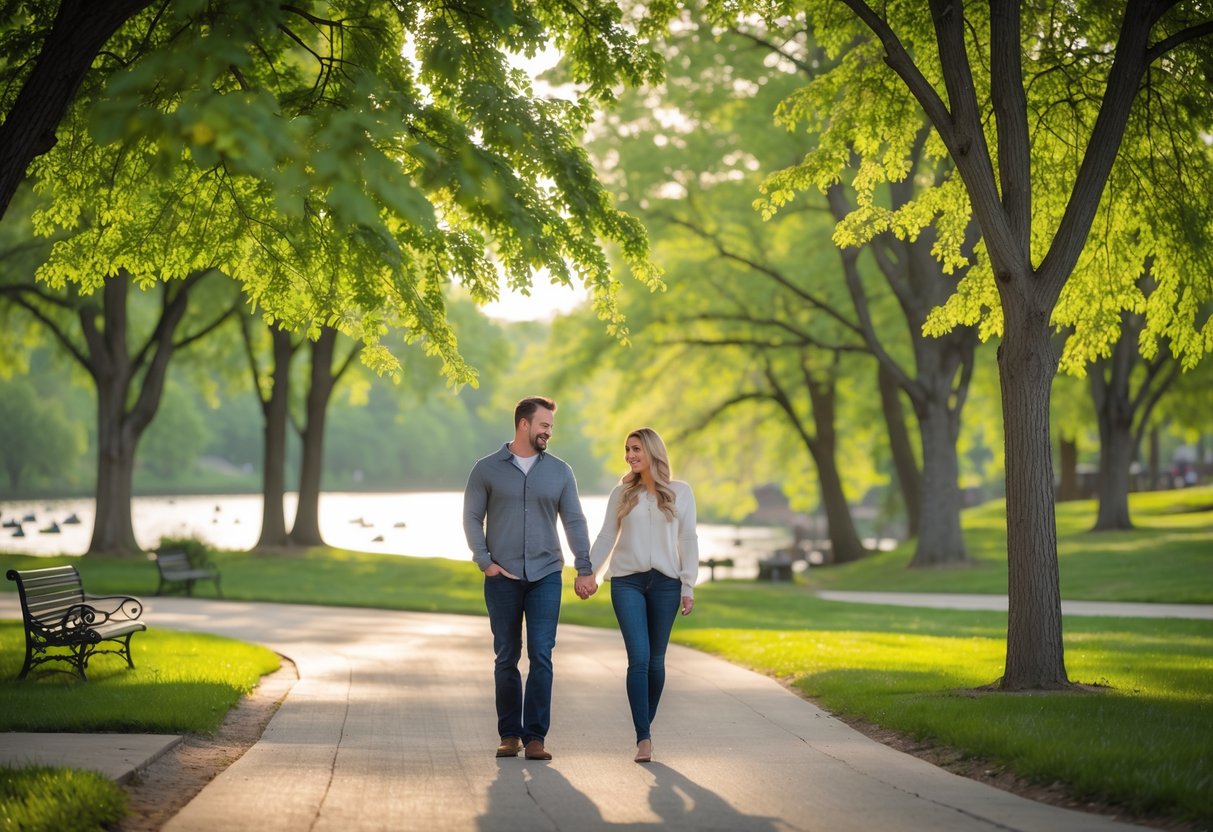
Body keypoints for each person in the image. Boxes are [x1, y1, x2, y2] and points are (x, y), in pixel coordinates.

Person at [463, 395, 591, 761]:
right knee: (506, 656)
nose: (549, 432)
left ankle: (536, 737)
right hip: (501, 576)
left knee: (541, 654)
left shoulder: (560, 471)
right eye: (544, 425)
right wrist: (484, 561)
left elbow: (575, 521)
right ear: (524, 424)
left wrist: (584, 567)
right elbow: (471, 517)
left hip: (546, 573)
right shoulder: (486, 469)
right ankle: (509, 735)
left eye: (550, 426)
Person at [575, 427, 698, 764]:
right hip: (627, 581)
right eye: (627, 449)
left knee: (656, 662)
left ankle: (646, 725)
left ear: (653, 452)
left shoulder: (680, 492)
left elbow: (688, 540)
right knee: (639, 658)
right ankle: (643, 737)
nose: (629, 455)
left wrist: (688, 585)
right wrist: (589, 572)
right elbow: (605, 536)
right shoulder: (622, 493)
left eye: (636, 449)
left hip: (667, 584)